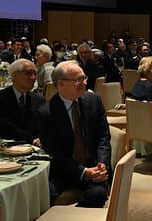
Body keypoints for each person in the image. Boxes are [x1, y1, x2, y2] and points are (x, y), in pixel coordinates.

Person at [36, 61, 111, 208]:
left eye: (84, 78)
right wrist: (83, 172)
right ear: (61, 84)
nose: (84, 83)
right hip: (63, 170)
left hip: (93, 165)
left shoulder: (94, 101)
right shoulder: (46, 113)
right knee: (43, 196)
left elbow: (103, 137)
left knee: (97, 195)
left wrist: (102, 164)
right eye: (78, 80)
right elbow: (55, 153)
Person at [0, 59, 45, 144]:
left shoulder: (39, 100)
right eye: (28, 73)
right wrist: (31, 139)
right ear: (14, 75)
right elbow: (3, 128)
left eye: (35, 73)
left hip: (35, 146)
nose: (33, 78)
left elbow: (42, 126)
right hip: (7, 145)